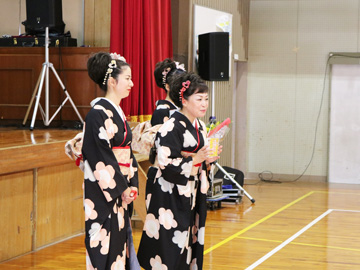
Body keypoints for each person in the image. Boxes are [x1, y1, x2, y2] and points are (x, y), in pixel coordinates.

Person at [137, 72, 221, 270]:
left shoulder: (199, 125)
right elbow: (166, 164)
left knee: (189, 240)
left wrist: (207, 160)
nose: (204, 104)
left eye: (206, 99)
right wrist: (196, 160)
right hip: (169, 194)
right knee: (168, 245)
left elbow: (198, 159)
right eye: (199, 99)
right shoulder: (170, 127)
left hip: (190, 191)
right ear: (184, 100)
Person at [82, 52, 140, 270]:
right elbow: (100, 157)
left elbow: (128, 152)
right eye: (127, 78)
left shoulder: (117, 113)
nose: (132, 83)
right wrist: (121, 188)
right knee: (103, 246)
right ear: (113, 81)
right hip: (103, 193)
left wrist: (131, 184)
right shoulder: (97, 113)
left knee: (119, 246)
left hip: (119, 190)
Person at [150, 58, 186, 126]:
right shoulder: (161, 111)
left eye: (185, 84)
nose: (184, 88)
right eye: (179, 84)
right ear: (168, 87)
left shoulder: (184, 106)